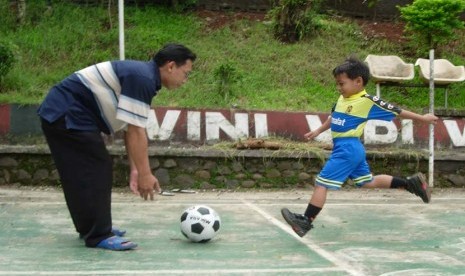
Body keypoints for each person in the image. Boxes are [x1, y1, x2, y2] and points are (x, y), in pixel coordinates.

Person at [38, 43, 196, 250]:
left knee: (83, 173)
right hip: (67, 114)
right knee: (95, 169)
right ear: (170, 66)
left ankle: (92, 228)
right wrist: (145, 175)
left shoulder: (144, 77)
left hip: (66, 114)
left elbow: (129, 128)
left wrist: (135, 169)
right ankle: (98, 234)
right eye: (185, 73)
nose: (185, 80)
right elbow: (137, 132)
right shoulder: (143, 79)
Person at [281, 57, 438, 237]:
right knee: (367, 182)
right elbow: (334, 117)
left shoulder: (367, 101)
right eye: (338, 84)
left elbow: (397, 111)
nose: (339, 88)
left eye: (342, 84)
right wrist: (318, 130)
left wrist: (423, 118)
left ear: (358, 82)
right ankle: (411, 183)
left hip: (348, 148)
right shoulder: (342, 98)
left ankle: (305, 221)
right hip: (347, 148)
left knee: (321, 183)